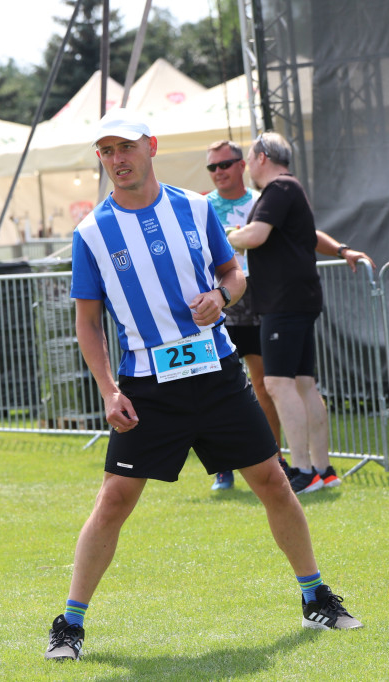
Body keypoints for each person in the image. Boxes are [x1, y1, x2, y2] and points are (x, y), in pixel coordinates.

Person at [44, 109, 362, 662]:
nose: (117, 159)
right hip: (147, 386)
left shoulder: (194, 208)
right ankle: (69, 625)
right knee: (115, 499)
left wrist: (223, 297)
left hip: (217, 373)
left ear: (151, 147)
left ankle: (316, 598)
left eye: (126, 147)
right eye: (107, 151)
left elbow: (233, 273)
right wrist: (107, 389)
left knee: (272, 481)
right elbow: (88, 322)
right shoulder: (92, 232)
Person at [205, 140, 375, 492]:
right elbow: (305, 235)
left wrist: (224, 235)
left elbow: (256, 235)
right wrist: (342, 249)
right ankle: (322, 469)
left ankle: (301, 471)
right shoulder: (287, 190)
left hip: (283, 301)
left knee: (277, 384)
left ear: (261, 158)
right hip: (296, 299)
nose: (247, 167)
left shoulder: (278, 188)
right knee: (302, 384)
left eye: (247, 160)